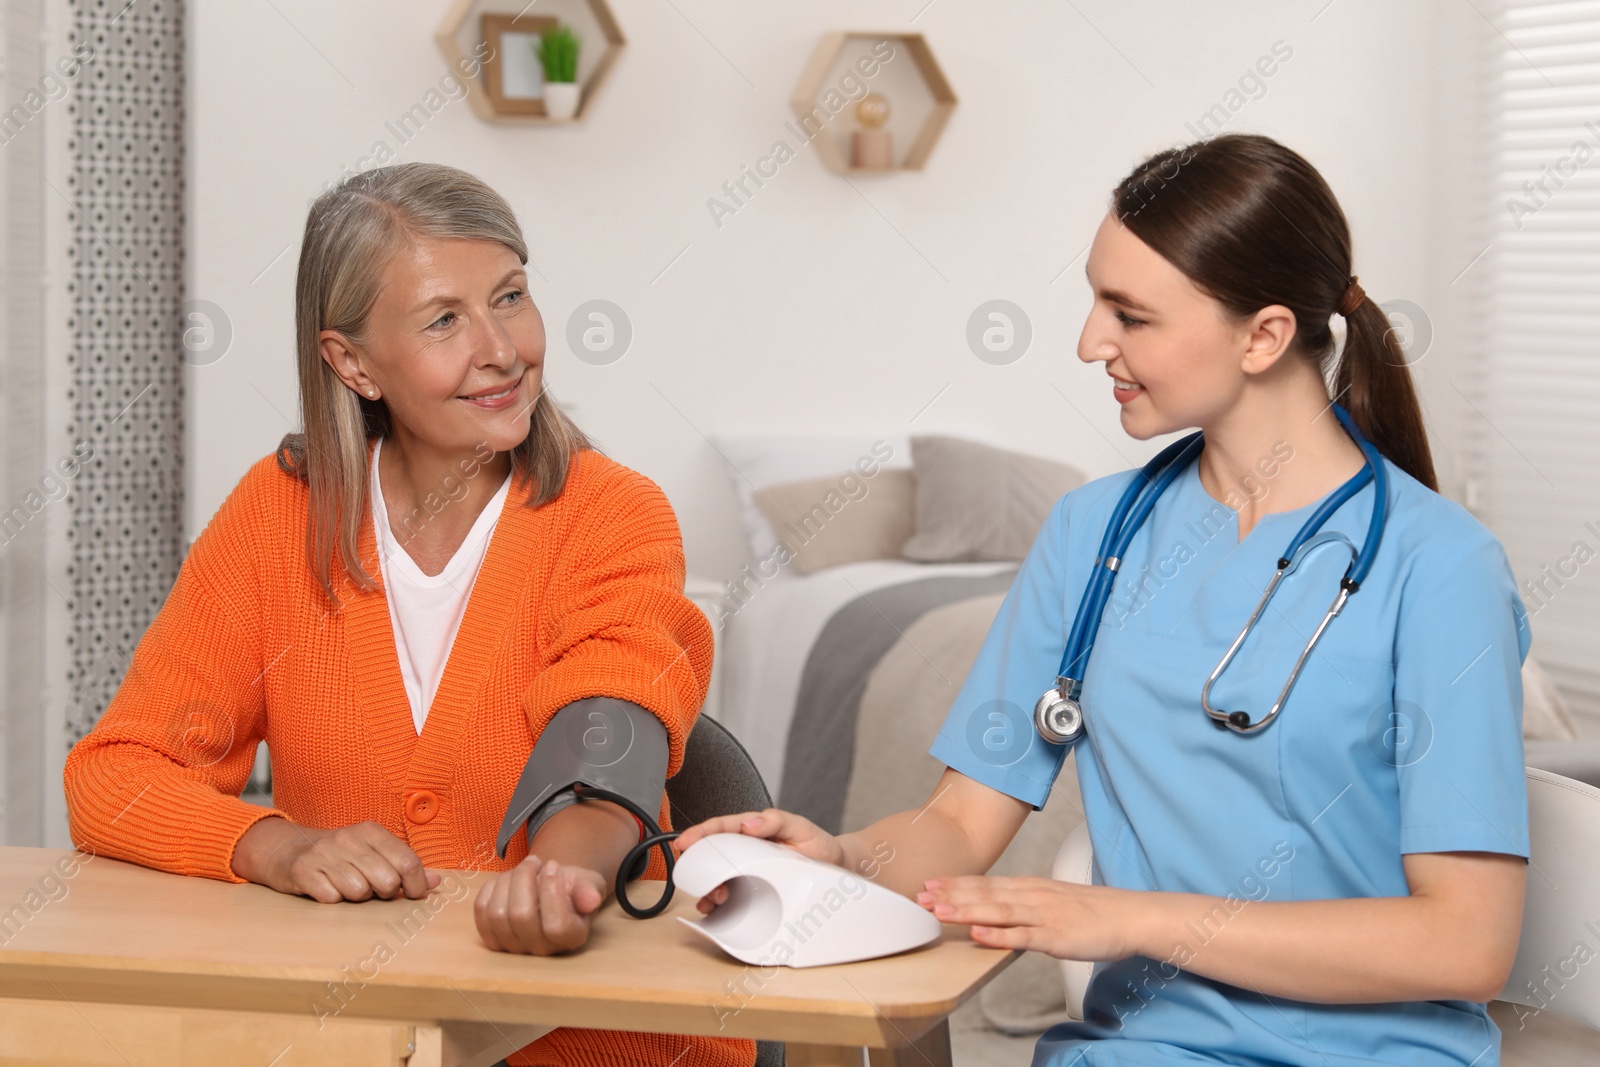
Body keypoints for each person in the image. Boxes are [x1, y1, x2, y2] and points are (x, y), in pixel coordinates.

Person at [678, 134, 1530, 1067]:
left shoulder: (1441, 567)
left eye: (1131, 315)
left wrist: (1129, 919)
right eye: (1095, 301)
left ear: (1265, 335)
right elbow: (960, 822)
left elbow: (1467, 943)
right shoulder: (1094, 536)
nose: (1092, 343)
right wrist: (838, 859)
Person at [63, 162, 754, 1067]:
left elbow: (608, 725)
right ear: (352, 362)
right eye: (444, 320)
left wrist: (562, 874)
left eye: (511, 296)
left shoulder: (609, 511)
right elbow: (117, 771)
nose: (501, 349)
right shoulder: (278, 516)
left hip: (593, 1039)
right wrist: (271, 845)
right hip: (354, 1032)